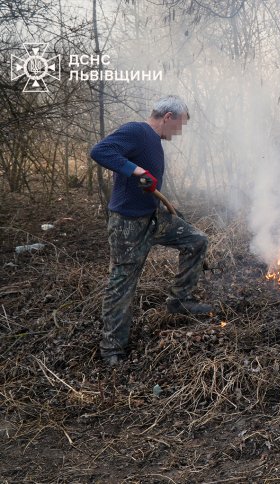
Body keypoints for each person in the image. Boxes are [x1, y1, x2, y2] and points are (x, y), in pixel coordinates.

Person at [90, 95, 212, 366]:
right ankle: (112, 348)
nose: (178, 132)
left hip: (154, 217)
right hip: (127, 225)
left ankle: (181, 299)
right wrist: (135, 171)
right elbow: (100, 151)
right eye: (178, 125)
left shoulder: (153, 141)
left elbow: (148, 183)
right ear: (167, 117)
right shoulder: (137, 131)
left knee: (196, 241)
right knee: (122, 283)